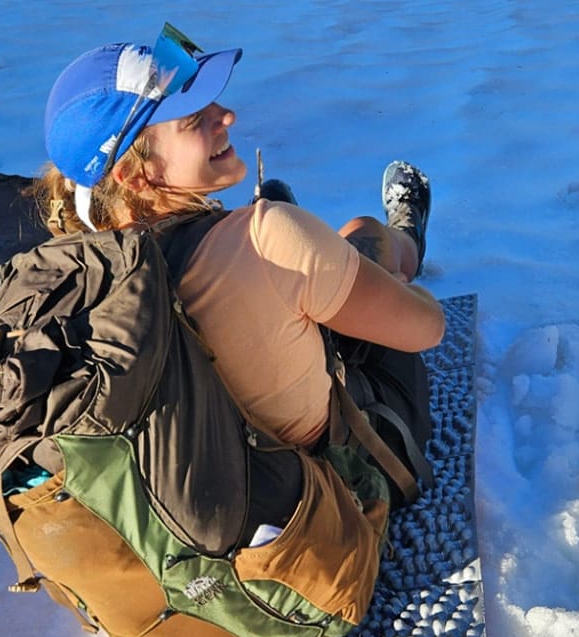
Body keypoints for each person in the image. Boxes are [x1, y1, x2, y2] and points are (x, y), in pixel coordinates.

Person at [33, 27, 443, 502]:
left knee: (325, 262)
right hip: (327, 488)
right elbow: (428, 330)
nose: (226, 115)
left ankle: (335, 271)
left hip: (190, 503)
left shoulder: (79, 275)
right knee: (366, 235)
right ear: (135, 173)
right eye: (192, 119)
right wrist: (388, 285)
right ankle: (405, 235)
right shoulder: (265, 236)